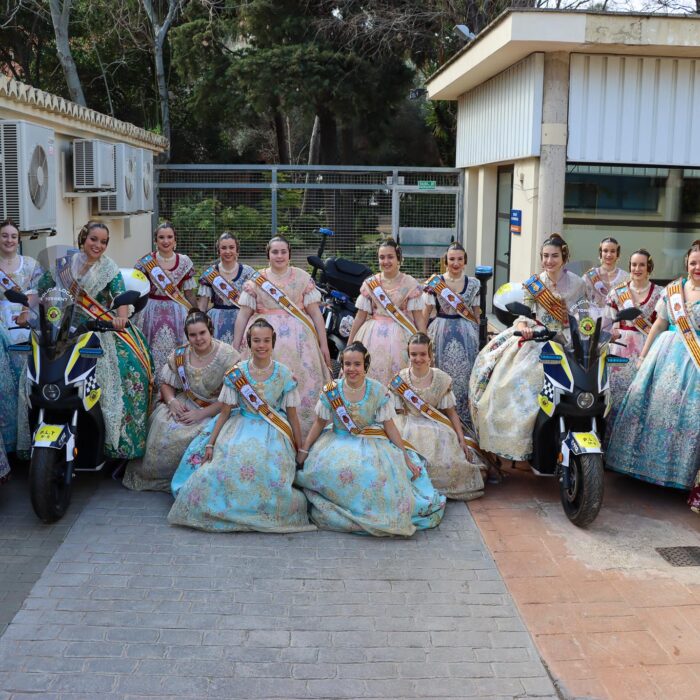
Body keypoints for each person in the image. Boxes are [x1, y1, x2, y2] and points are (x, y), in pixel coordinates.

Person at [19, 221, 154, 459]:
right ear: (83, 238)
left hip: (97, 329)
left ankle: (113, 443)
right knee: (30, 373)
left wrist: (121, 321)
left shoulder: (109, 268)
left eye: (103, 242)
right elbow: (39, 291)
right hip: (61, 330)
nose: (98, 245)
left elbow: (120, 298)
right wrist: (24, 312)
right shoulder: (62, 265)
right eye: (94, 239)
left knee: (129, 373)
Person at [168, 319, 315, 533]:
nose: (261, 345)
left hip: (273, 430)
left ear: (273, 343)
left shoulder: (284, 374)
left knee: (266, 464)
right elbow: (225, 412)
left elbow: (293, 417)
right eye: (256, 340)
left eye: (266, 340)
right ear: (248, 343)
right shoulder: (237, 373)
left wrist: (299, 448)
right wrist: (210, 444)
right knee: (228, 461)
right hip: (238, 425)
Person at [295, 341, 445, 536]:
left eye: (357, 364)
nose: (352, 369)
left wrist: (405, 457)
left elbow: (389, 427)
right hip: (337, 441)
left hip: (370, 443)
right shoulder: (331, 390)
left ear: (365, 365)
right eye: (347, 364)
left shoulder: (377, 390)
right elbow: (318, 423)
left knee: (373, 474)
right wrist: (305, 451)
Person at [470, 234, 588, 465]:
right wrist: (523, 327)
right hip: (538, 337)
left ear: (564, 257)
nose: (549, 261)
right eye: (545, 256)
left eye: (554, 256)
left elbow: (584, 313)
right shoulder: (534, 283)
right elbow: (524, 315)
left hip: (568, 340)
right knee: (510, 386)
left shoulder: (578, 283)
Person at [606, 240, 700, 505]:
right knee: (651, 408)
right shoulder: (673, 290)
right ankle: (642, 469)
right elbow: (659, 324)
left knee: (688, 416)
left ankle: (681, 477)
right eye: (693, 262)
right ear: (686, 263)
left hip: (695, 363)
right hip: (665, 356)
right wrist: (644, 356)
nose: (697, 267)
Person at [122, 311, 238, 492]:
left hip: (216, 408)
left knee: (198, 434)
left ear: (210, 331)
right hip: (184, 403)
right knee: (163, 425)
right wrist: (171, 401)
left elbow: (233, 397)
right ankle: (162, 480)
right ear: (187, 336)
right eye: (193, 335)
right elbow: (167, 384)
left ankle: (190, 481)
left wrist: (201, 414)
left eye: (202, 333)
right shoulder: (180, 355)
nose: (198, 339)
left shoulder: (228, 356)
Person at [231, 235, 331, 434]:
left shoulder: (302, 278)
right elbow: (243, 317)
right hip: (263, 343)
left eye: (283, 251)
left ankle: (303, 433)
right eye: (275, 252)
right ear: (268, 254)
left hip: (302, 346)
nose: (279, 256)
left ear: (289, 254)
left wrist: (323, 344)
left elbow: (315, 315)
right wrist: (235, 347)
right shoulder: (256, 280)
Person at [391, 333, 485, 501]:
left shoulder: (440, 378)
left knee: (452, 463)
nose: (418, 358)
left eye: (422, 354)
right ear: (408, 354)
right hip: (407, 424)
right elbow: (394, 413)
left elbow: (451, 412)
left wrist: (461, 439)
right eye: (413, 354)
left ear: (430, 356)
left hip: (435, 425)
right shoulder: (401, 379)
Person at [347, 238, 426, 386]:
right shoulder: (371, 284)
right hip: (371, 336)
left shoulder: (410, 283)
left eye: (390, 257)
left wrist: (425, 344)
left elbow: (419, 318)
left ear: (398, 258)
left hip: (402, 335)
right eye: (382, 257)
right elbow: (360, 317)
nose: (386, 261)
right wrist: (349, 343)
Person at [604, 249, 663, 437]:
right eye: (634, 265)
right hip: (619, 349)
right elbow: (607, 321)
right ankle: (609, 440)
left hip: (646, 349)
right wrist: (611, 331)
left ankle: (632, 441)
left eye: (642, 265)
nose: (637, 269)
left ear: (649, 267)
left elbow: (661, 325)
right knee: (614, 395)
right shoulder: (617, 292)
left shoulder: (660, 294)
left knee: (640, 396)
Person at [422, 242, 480, 427]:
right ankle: (442, 422)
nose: (455, 263)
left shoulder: (474, 283)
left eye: (459, 259)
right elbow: (426, 312)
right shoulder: (435, 283)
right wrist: (422, 339)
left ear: (465, 261)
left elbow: (476, 312)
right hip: (440, 334)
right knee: (441, 376)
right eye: (452, 259)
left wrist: (478, 336)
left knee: (464, 378)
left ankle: (465, 424)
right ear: (446, 261)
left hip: (466, 335)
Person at [0, 218, 42, 467]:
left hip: (24, 325)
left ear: (19, 239)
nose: (9, 240)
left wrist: (27, 312)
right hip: (1, 328)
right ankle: (7, 446)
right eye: (4, 235)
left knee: (25, 384)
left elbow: (36, 295)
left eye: (13, 236)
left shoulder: (31, 265)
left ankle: (28, 443)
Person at [135, 221, 197, 381]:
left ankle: (175, 384)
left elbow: (189, 293)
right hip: (151, 313)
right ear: (155, 241)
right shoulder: (146, 262)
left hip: (178, 314)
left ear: (175, 240)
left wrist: (196, 314)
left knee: (177, 351)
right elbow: (137, 289)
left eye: (170, 237)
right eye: (161, 237)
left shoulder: (184, 262)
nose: (165, 241)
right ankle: (153, 386)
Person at [196, 232, 255, 345]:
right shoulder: (210, 274)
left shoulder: (248, 272)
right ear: (218, 250)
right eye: (224, 248)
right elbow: (202, 306)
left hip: (242, 319)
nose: (228, 251)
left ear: (237, 249)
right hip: (216, 321)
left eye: (231, 247)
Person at [582, 236, 629, 311]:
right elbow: (581, 301)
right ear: (601, 253)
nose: (609, 255)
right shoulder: (589, 276)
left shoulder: (625, 277)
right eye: (605, 251)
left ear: (618, 254)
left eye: (613, 251)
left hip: (618, 320)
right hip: (593, 321)